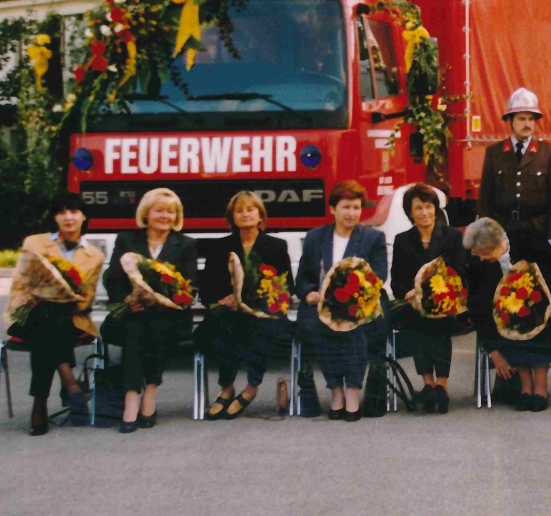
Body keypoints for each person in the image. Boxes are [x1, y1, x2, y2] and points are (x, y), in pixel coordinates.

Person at [102, 188, 198, 433]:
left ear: (177, 216)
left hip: (170, 316)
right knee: (136, 325)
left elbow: (189, 286)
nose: (164, 215)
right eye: (159, 210)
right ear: (147, 212)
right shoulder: (126, 240)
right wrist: (126, 298)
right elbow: (113, 277)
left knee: (154, 324)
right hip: (132, 311)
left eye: (170, 211)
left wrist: (167, 300)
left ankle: (149, 392)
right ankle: (132, 396)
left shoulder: (185, 244)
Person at [9, 192, 105, 435]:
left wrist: (68, 299)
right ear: (55, 217)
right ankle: (70, 383)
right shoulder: (35, 243)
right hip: (30, 314)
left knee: (52, 317)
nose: (68, 217)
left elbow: (87, 298)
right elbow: (20, 282)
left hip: (70, 316)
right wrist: (26, 298)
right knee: (46, 314)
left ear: (84, 216)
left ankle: (39, 404)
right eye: (62, 212)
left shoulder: (94, 255)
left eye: (74, 211)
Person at [295, 180, 388, 421]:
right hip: (321, 305)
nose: (351, 213)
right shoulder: (315, 237)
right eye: (346, 207)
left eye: (356, 207)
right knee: (320, 325)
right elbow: (303, 277)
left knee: (354, 328)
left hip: (358, 304)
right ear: (333, 209)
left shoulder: (372, 238)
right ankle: (336, 391)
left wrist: (357, 296)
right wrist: (309, 294)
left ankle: (353, 391)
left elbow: (378, 276)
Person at [197, 191, 294, 420]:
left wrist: (259, 301)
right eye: (239, 210)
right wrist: (224, 299)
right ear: (232, 217)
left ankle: (251, 387)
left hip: (264, 313)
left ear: (260, 216)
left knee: (257, 327)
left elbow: (286, 286)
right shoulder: (219, 247)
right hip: (229, 312)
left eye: (250, 209)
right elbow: (207, 288)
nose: (245, 214)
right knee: (224, 326)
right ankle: (227, 388)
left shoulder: (276, 246)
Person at [477, 87, 551, 309]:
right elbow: (485, 198)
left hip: (537, 232)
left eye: (531, 119)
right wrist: (485, 237)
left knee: (541, 292)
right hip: (505, 232)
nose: (527, 124)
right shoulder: (495, 153)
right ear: (510, 121)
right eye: (521, 118)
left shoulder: (548, 154)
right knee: (502, 290)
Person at [465, 217, 551, 411]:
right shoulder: (478, 264)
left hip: (542, 301)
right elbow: (478, 308)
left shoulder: (527, 237)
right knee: (510, 321)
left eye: (483, 253)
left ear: (497, 244)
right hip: (506, 311)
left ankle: (541, 388)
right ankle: (525, 388)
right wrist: (493, 351)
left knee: (540, 322)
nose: (481, 258)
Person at [390, 183, 468, 414]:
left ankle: (441, 384)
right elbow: (397, 281)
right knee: (417, 317)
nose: (425, 212)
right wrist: (408, 293)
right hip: (414, 305)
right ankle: (428, 383)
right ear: (410, 213)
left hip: (448, 300)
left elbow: (461, 272)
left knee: (438, 319)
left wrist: (438, 291)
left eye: (429, 206)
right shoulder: (402, 240)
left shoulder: (453, 236)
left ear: (436, 208)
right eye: (419, 208)